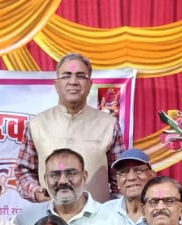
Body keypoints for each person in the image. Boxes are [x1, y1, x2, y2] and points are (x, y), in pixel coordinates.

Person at [17, 53, 124, 206]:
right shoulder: (37, 124)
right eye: (66, 76)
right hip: (49, 214)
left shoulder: (109, 124)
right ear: (56, 84)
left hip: (97, 217)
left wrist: (113, 210)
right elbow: (23, 170)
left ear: (90, 84)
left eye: (80, 76)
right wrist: (36, 192)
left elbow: (119, 176)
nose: (73, 82)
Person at [36, 147, 133, 225]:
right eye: (54, 175)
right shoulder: (27, 218)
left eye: (71, 173)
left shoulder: (111, 220)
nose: (63, 181)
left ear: (84, 176)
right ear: (45, 179)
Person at [108, 149, 154, 225]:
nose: (131, 177)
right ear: (117, 181)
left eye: (139, 170)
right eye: (123, 172)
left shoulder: (164, 211)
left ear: (151, 176)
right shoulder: (104, 212)